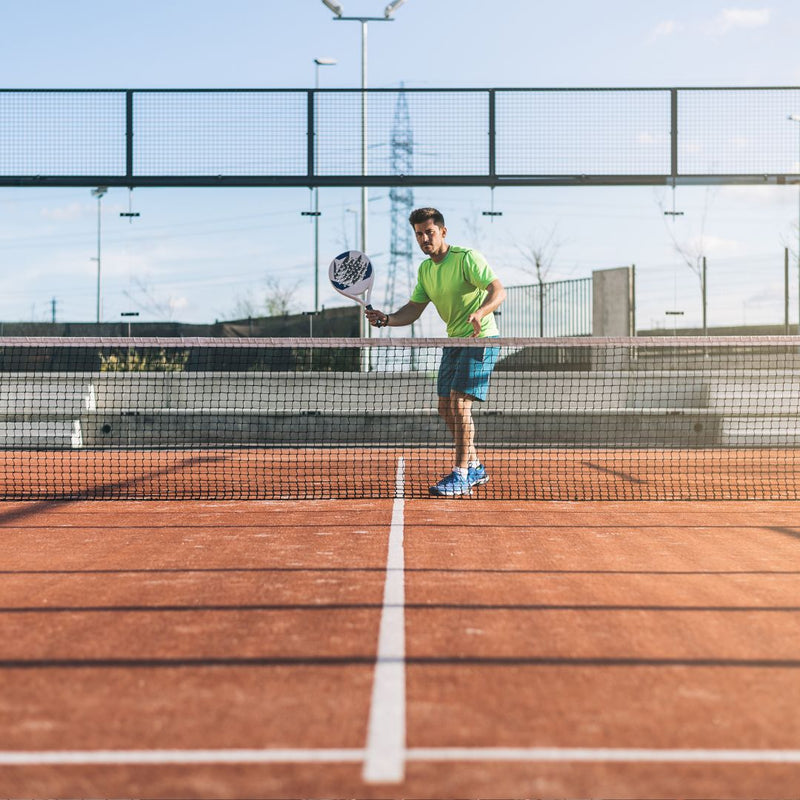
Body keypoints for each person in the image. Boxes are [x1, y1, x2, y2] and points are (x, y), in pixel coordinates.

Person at [365, 207, 506, 496]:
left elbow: (498, 290)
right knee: (445, 407)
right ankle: (476, 465)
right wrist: (388, 318)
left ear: (442, 232)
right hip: (454, 341)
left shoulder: (466, 258)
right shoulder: (426, 270)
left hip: (481, 339)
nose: (424, 238)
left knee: (459, 404)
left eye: (429, 232)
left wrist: (481, 312)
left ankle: (461, 474)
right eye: (419, 234)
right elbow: (414, 309)